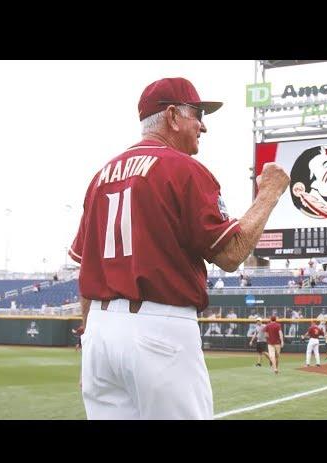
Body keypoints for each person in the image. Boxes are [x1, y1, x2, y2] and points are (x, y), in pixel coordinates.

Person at [67, 77, 290, 420]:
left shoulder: (100, 177)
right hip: (159, 329)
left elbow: (86, 271)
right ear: (172, 116)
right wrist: (269, 195)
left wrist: (90, 337)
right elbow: (231, 254)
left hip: (99, 331)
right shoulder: (183, 169)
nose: (203, 126)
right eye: (198, 114)